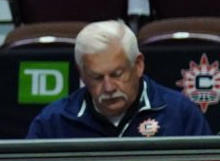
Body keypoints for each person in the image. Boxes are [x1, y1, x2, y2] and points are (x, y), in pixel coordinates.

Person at [26, 20, 212, 140]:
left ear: (138, 65)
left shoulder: (180, 114)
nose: (108, 87)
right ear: (81, 74)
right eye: (96, 77)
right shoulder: (52, 123)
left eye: (117, 74)